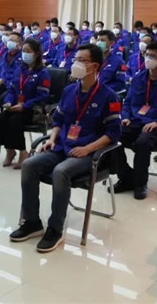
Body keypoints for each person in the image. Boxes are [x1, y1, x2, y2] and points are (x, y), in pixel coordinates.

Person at [9, 44, 121, 253]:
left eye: (81, 60)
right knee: (30, 165)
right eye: (75, 59)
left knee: (61, 172)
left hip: (88, 152)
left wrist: (88, 148)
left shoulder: (108, 96)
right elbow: (59, 120)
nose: (75, 63)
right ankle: (32, 222)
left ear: (94, 66)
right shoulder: (69, 91)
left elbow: (113, 133)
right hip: (62, 146)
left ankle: (56, 229)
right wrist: (51, 139)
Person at [114, 41, 157, 199]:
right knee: (113, 136)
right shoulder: (138, 78)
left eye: (152, 56)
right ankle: (126, 177)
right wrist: (125, 117)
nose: (147, 59)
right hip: (135, 121)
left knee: (142, 142)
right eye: (146, 55)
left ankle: (140, 183)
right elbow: (127, 102)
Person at [0, 39, 51, 169]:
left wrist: (24, 106)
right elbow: (12, 90)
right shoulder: (19, 70)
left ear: (36, 54)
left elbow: (42, 96)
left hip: (33, 109)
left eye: (28, 51)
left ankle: (23, 152)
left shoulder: (42, 73)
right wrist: (9, 101)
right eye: (23, 51)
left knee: (14, 121)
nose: (24, 54)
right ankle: (10, 151)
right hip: (16, 106)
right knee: (1, 118)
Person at [0, 32, 23, 123]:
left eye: (13, 40)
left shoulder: (22, 57)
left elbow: (17, 74)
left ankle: (1, 123)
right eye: (9, 40)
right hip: (2, 82)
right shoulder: (5, 54)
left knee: (2, 99)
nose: (9, 42)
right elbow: (2, 69)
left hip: (13, 86)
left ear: (19, 44)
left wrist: (6, 80)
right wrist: (1, 77)